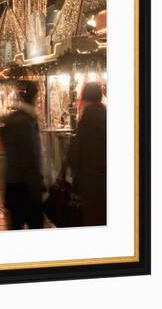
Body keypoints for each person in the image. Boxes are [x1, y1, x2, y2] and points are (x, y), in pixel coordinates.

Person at [1, 80, 44, 230]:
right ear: (33, 98)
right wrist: (38, 183)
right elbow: (28, 157)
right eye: (37, 97)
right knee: (33, 226)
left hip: (15, 185)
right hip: (24, 187)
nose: (38, 100)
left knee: (16, 225)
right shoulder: (24, 122)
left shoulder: (19, 119)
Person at [66, 82, 106, 226]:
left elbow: (73, 156)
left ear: (85, 99)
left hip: (90, 184)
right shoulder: (108, 116)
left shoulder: (86, 120)